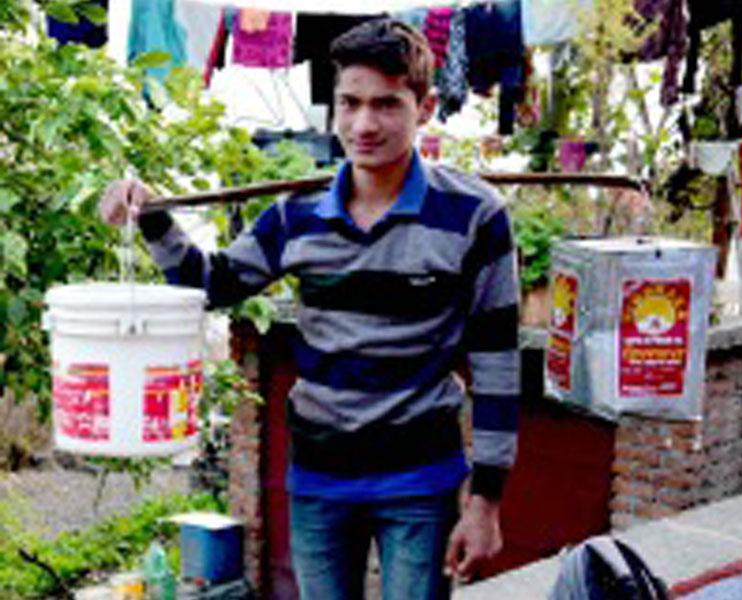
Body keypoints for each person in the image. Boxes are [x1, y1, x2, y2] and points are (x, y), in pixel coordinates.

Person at [100, 19, 520, 600]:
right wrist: (150, 216)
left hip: (420, 479)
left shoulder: (476, 214)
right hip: (320, 479)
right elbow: (210, 284)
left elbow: (498, 363)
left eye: (386, 105)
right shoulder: (297, 214)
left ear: (424, 108)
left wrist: (486, 503)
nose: (363, 124)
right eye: (349, 103)